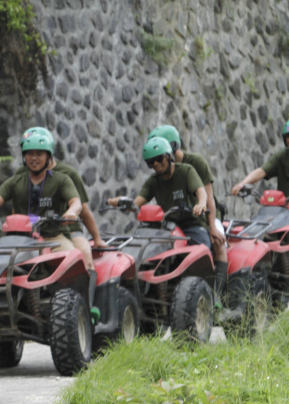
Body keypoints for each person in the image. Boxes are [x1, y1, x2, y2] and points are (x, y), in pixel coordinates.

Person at [0, 133, 84, 256]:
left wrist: (71, 212)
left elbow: (76, 202)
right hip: (18, 240)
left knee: (70, 259)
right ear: (24, 156)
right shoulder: (15, 181)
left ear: (48, 157)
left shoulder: (62, 180)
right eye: (30, 154)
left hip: (53, 239)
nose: (34, 158)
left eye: (39, 154)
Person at [148, 125, 227, 297]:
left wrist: (212, 226)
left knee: (219, 243)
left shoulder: (195, 163)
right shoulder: (161, 172)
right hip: (173, 221)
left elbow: (209, 197)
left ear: (173, 146)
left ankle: (218, 295)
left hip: (203, 217)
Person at [107, 136, 209, 247]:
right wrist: (121, 202)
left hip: (192, 225)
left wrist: (201, 204)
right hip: (167, 228)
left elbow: (201, 191)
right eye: (151, 162)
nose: (155, 164)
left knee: (201, 250)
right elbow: (136, 204)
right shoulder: (153, 181)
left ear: (169, 156)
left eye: (159, 159)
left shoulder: (186, 171)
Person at [232, 119, 289, 196]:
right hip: (284, 206)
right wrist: (242, 184)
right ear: (285, 140)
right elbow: (261, 171)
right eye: (288, 136)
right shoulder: (282, 156)